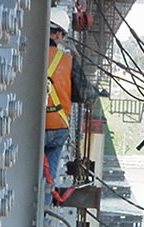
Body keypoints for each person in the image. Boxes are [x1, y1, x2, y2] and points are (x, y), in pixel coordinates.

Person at [45, 7, 98, 184]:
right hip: (57, 125)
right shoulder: (67, 61)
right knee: (48, 177)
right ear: (58, 35)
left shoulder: (25, 54)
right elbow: (86, 95)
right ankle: (45, 200)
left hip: (32, 124)